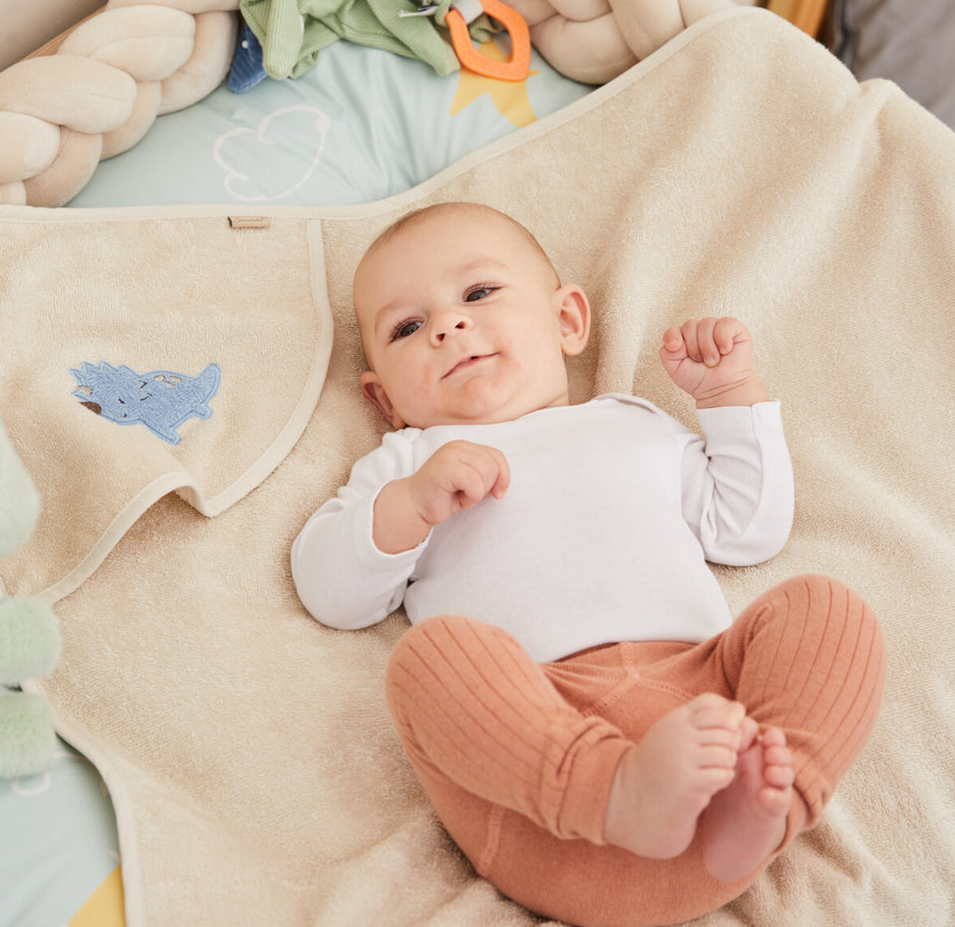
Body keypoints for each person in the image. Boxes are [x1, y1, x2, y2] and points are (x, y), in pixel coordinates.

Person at [291, 201, 885, 927]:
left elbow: (746, 528)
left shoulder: (631, 423)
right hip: (541, 765)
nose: (447, 325)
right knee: (432, 659)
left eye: (478, 292)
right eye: (406, 328)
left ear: (567, 320)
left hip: (708, 714)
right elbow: (328, 590)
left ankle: (773, 797)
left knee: (825, 607)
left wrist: (729, 396)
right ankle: (616, 790)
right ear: (385, 399)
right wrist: (410, 504)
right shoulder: (408, 463)